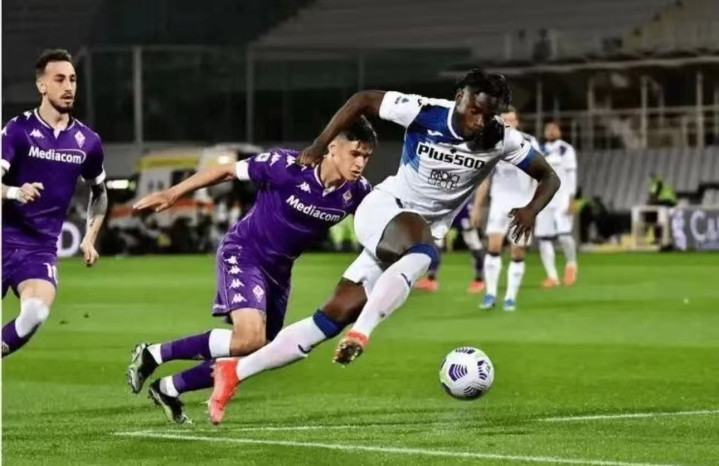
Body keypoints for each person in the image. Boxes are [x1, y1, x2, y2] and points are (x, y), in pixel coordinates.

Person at [209, 69, 560, 424]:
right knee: (423, 252)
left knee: (330, 318)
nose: (479, 121)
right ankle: (362, 334)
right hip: (384, 209)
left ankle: (235, 372)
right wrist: (319, 144)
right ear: (460, 98)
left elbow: (549, 176)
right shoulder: (424, 112)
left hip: (408, 236)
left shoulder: (502, 140)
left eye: (488, 114)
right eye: (474, 110)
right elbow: (363, 100)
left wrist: (531, 209)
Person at [127, 117, 375, 424]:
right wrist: (173, 193)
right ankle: (153, 354)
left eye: (366, 156)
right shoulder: (285, 166)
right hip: (244, 253)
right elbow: (226, 171)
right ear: (333, 148)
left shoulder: (358, 192)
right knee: (249, 338)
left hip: (280, 273)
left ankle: (168, 388)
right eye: (355, 153)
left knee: (257, 353)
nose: (360, 163)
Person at [2, 49, 107, 358]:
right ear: (42, 85)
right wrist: (14, 192)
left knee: (35, 312)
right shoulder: (18, 130)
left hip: (39, 249)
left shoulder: (88, 142)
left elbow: (100, 193)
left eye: (72, 79)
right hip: (3, 237)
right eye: (59, 79)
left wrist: (89, 237)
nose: (68, 86)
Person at [473, 106, 538, 311]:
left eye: (512, 119)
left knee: (517, 252)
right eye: (504, 120)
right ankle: (490, 294)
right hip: (499, 203)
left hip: (522, 204)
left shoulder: (529, 142)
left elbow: (540, 174)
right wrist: (477, 207)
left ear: (517, 122)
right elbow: (484, 178)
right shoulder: (491, 142)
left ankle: (510, 297)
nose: (508, 123)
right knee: (493, 247)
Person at [535, 122, 578, 288]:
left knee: (564, 235)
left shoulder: (565, 149)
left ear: (560, 131)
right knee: (544, 238)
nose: (551, 131)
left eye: (554, 128)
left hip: (562, 196)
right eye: (548, 129)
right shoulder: (538, 150)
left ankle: (571, 264)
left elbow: (571, 175)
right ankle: (552, 276)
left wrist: (572, 198)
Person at [414, 197, 486, 294]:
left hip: (462, 207)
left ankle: (479, 279)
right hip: (444, 206)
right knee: (436, 240)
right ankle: (431, 279)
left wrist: (476, 208)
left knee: (472, 240)